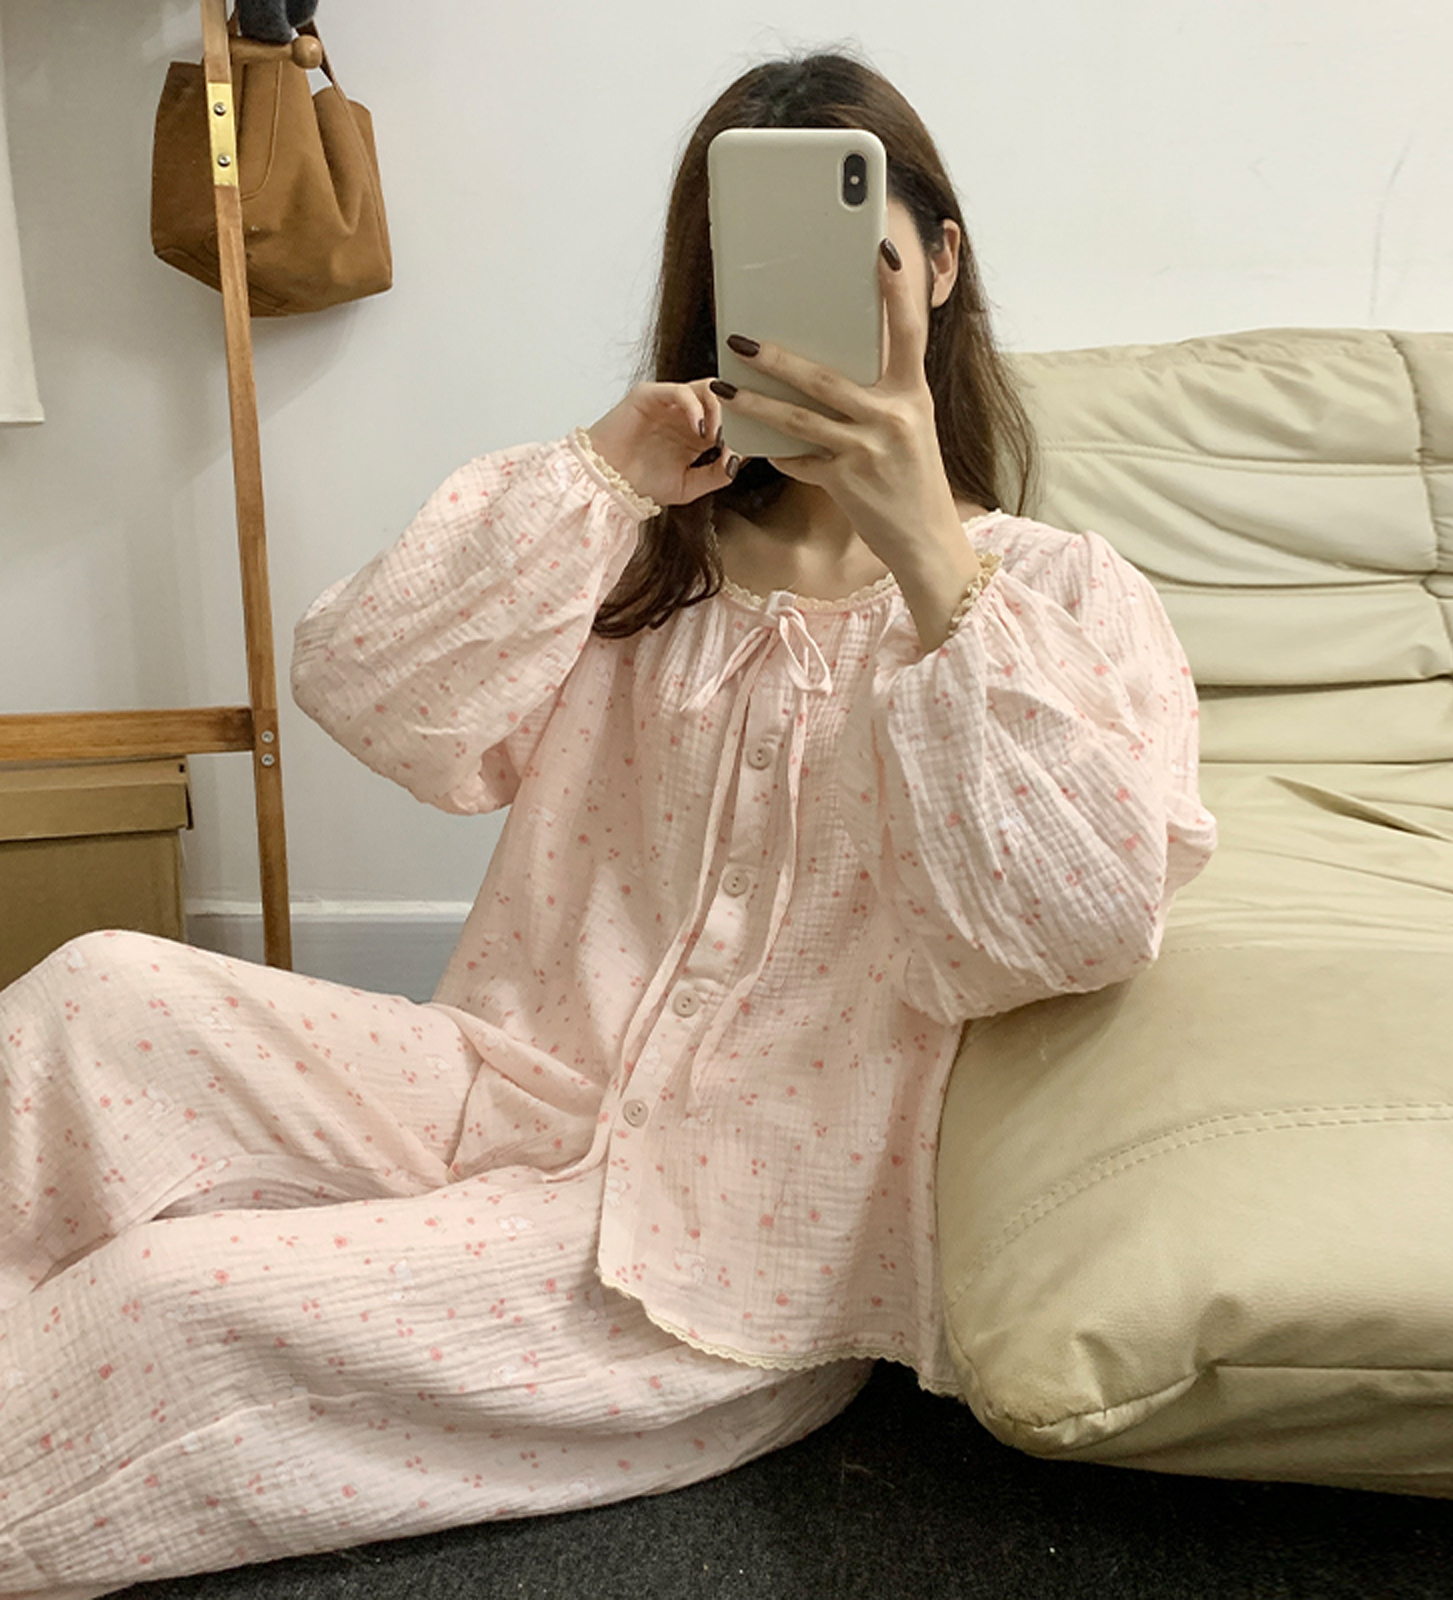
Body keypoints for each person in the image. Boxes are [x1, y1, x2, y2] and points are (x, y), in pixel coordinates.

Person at [0, 51, 1216, 1600]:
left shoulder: (1055, 598)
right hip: (498, 1086)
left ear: (941, 264)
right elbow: (374, 696)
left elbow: (1070, 924)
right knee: (98, 993)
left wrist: (926, 550)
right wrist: (601, 476)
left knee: (174, 1301)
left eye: (862, 259)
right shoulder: (637, 555)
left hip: (723, 1240)